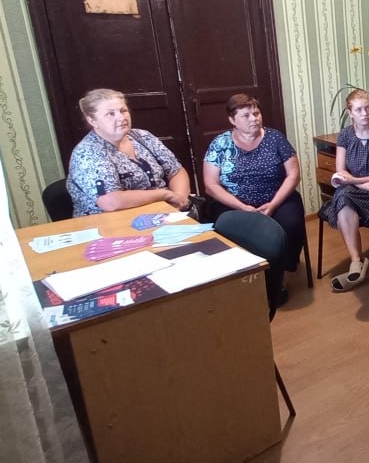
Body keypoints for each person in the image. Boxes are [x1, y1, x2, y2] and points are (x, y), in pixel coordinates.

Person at [202, 93, 306, 313]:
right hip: (235, 203)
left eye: (256, 113)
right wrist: (243, 208)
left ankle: (282, 279)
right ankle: (243, 278)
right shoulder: (220, 143)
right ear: (232, 120)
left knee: (292, 224)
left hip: (276, 198)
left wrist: (273, 204)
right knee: (226, 227)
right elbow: (210, 185)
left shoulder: (275, 138)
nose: (254, 119)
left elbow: (293, 175)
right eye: (246, 115)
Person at [66, 88, 191, 217]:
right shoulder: (88, 153)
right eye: (110, 114)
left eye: (123, 110)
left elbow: (176, 171)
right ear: (92, 121)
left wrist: (178, 199)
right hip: (113, 222)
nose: (121, 117)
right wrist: (165, 195)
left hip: (164, 213)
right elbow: (110, 202)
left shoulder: (142, 136)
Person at [319, 89, 369, 292]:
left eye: (368, 108)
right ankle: (356, 261)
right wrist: (358, 183)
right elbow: (341, 170)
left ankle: (357, 265)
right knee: (344, 199)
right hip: (353, 188)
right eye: (359, 109)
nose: (365, 113)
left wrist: (355, 181)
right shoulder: (345, 135)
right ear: (350, 112)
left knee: (343, 199)